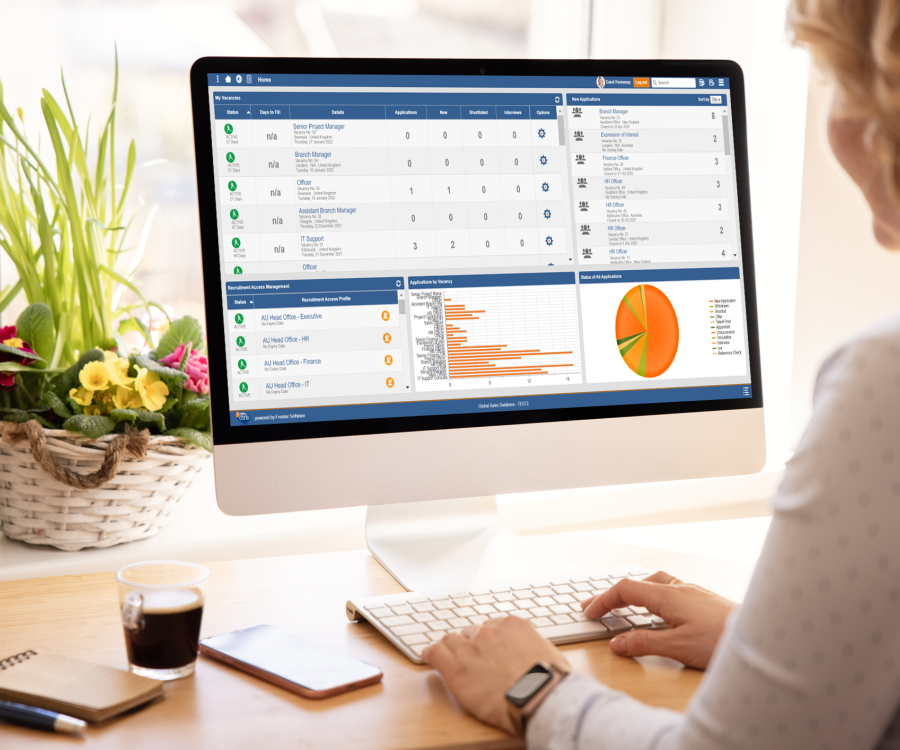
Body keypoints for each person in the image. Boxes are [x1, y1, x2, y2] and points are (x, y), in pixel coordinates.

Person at [423, 1, 900, 747]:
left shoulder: (885, 380)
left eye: (836, 82)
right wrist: (761, 643)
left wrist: (535, 688)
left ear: (881, 111)